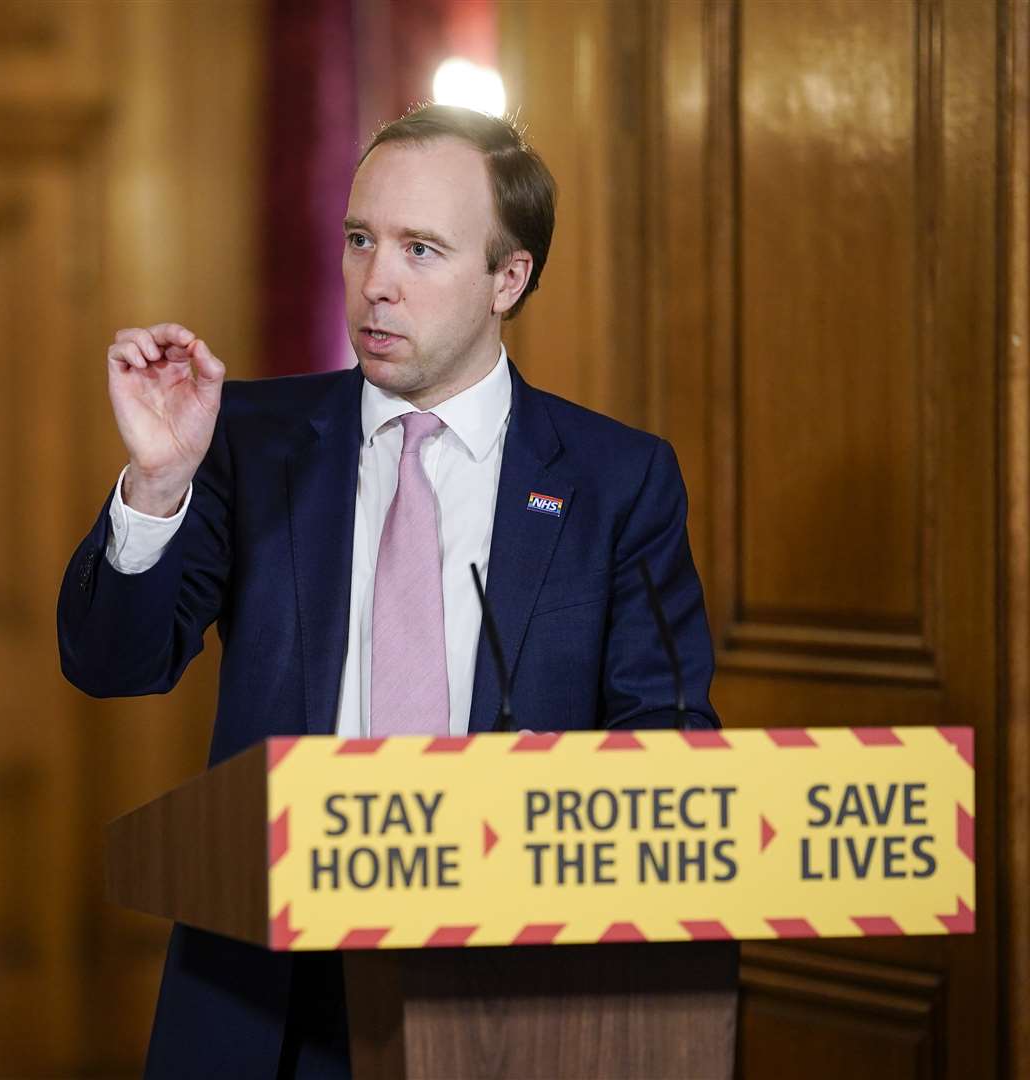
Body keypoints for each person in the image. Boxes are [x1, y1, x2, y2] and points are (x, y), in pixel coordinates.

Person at [57, 104, 718, 1080]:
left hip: (514, 1003)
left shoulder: (617, 481)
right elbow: (113, 663)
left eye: (420, 250)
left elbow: (673, 741)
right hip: (269, 1008)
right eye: (359, 240)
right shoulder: (246, 439)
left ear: (508, 276)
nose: (375, 284)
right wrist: (157, 480)